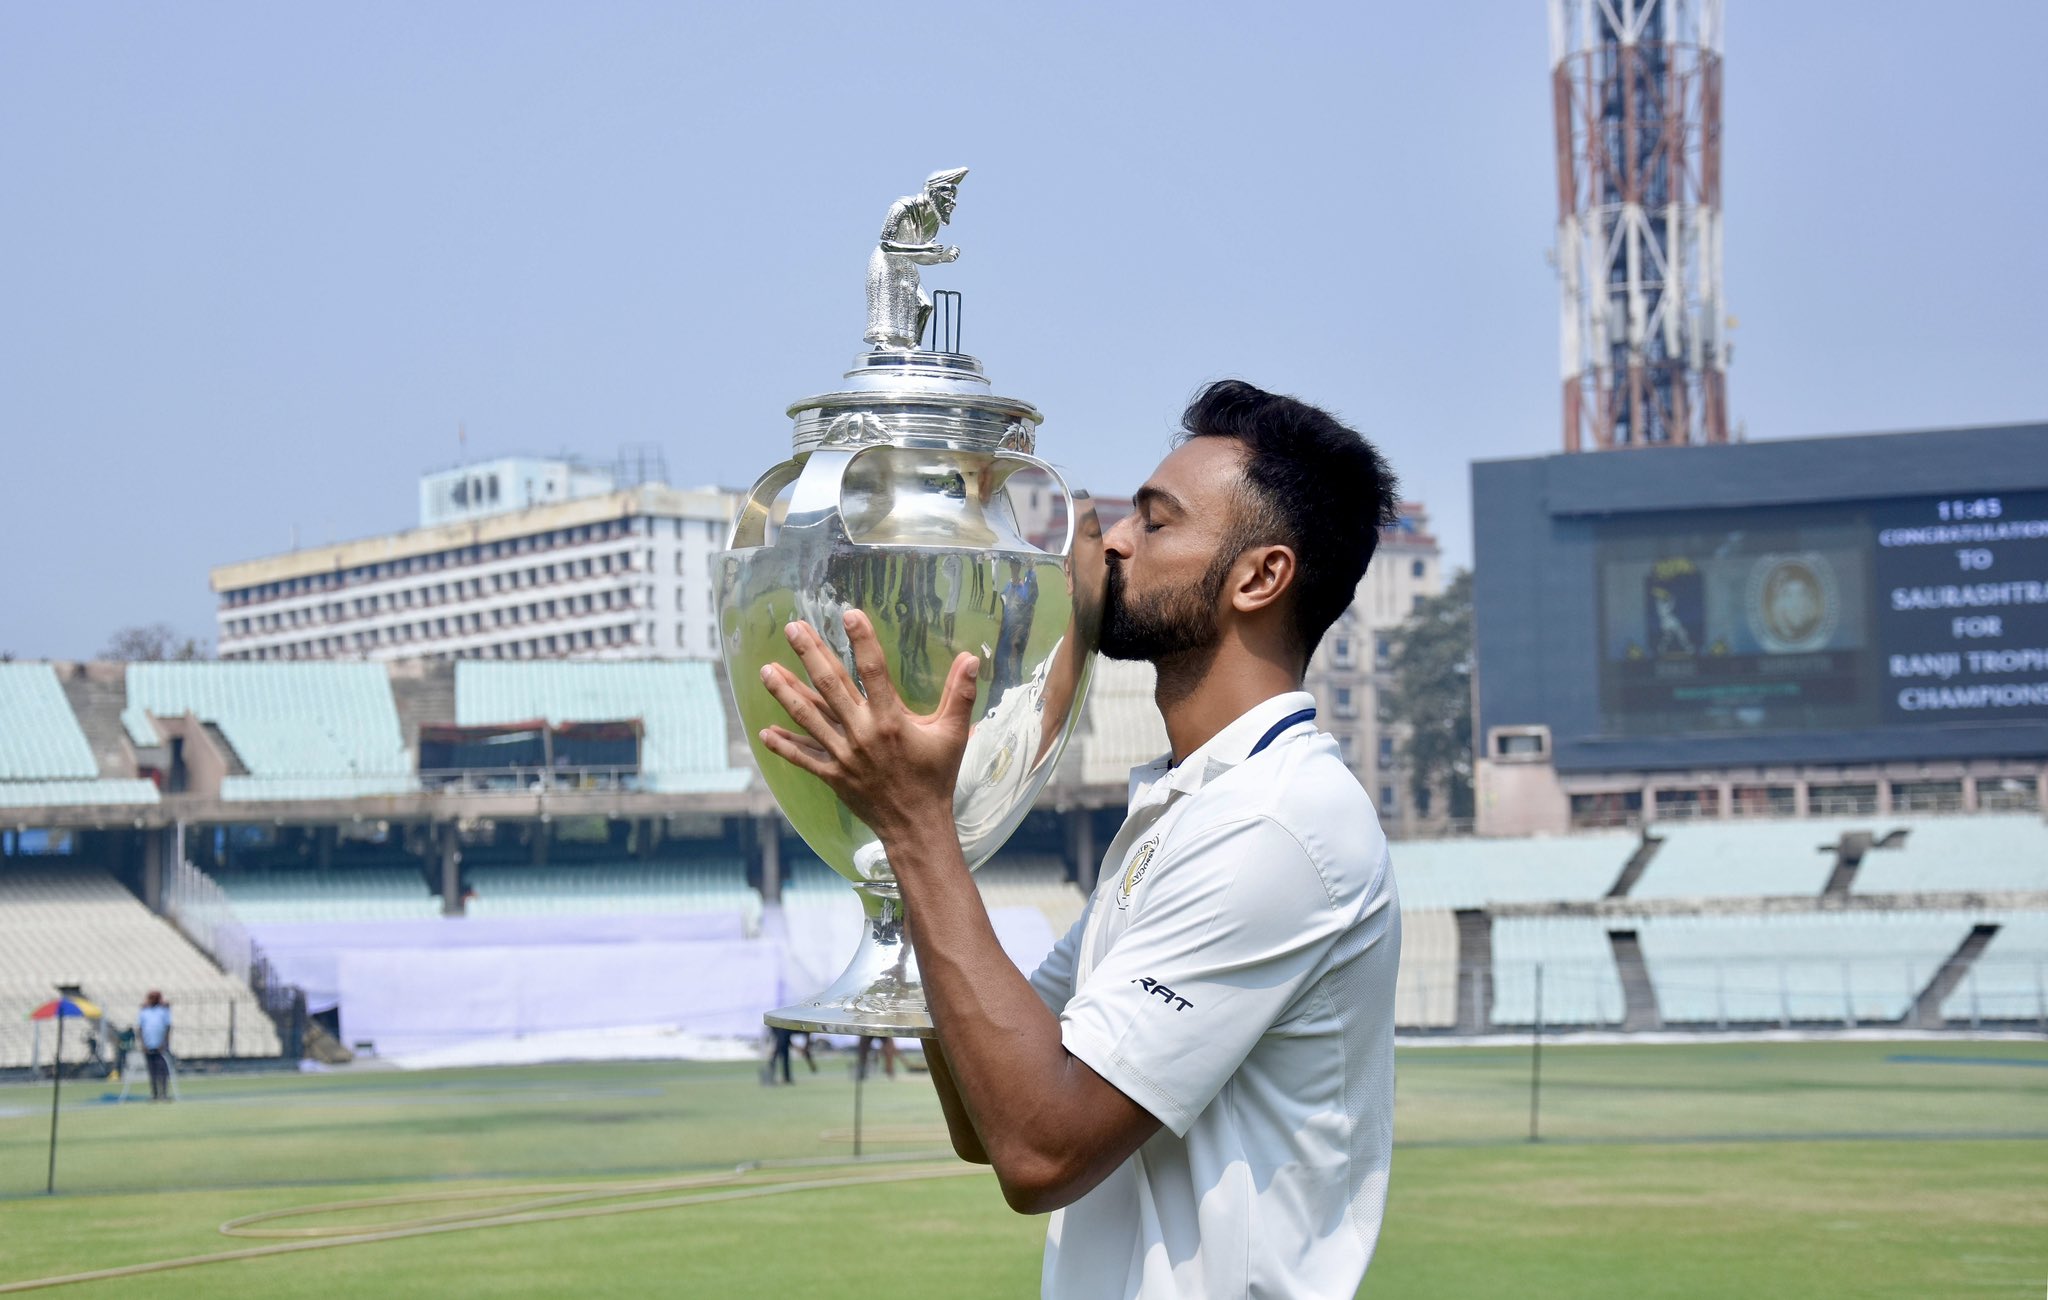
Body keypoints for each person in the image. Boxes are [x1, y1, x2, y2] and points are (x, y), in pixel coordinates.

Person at [757, 379, 1404, 1297]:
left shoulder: (1276, 824)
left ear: (1260, 577)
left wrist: (916, 826)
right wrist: (940, 783)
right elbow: (985, 1113)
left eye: (1157, 522)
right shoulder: (1188, 810)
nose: (1109, 546)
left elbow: (1039, 1149)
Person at [137, 990, 173, 1102]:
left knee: (162, 1070)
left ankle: (164, 1094)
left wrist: (164, 1044)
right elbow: (140, 1029)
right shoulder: (144, 1012)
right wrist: (143, 1044)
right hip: (148, 1046)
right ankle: (154, 1094)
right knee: (152, 1071)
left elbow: (167, 1027)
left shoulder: (163, 1011)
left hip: (160, 1046)